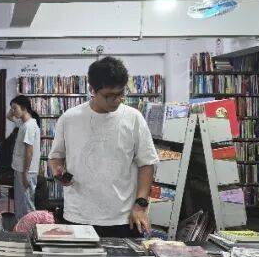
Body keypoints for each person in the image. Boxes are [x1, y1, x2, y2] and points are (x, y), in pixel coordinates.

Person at [47, 56, 159, 237]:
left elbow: (147, 163)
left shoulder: (133, 118)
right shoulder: (69, 118)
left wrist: (140, 205)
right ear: (92, 90)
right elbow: (55, 157)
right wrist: (58, 172)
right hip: (78, 215)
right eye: (109, 96)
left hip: (123, 219)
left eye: (121, 93)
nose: (117, 100)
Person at [8, 94, 41, 219]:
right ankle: (21, 228)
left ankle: (29, 229)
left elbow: (29, 151)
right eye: (12, 108)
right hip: (20, 170)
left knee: (27, 205)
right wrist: (13, 105)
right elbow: (8, 116)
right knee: (21, 203)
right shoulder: (22, 123)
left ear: (24, 108)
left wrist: (25, 173)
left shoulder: (29, 126)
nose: (13, 111)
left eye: (15, 108)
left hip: (26, 171)